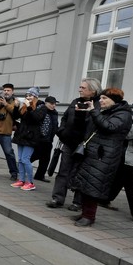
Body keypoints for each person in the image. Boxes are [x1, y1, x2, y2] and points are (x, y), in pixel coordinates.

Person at [71, 88, 133, 226]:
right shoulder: (106, 111)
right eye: (101, 98)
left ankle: (89, 216)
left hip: (104, 156)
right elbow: (89, 127)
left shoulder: (124, 114)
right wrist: (82, 114)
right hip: (94, 153)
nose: (101, 101)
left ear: (114, 100)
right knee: (86, 184)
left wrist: (94, 112)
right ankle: (84, 213)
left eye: (104, 98)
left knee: (94, 186)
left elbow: (109, 127)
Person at [46, 78, 102, 211]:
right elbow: (65, 118)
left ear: (93, 91)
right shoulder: (75, 102)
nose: (79, 89)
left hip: (85, 145)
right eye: (80, 87)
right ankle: (57, 199)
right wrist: (62, 132)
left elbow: (95, 124)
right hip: (69, 142)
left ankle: (77, 202)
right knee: (63, 171)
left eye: (83, 88)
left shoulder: (98, 105)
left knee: (80, 173)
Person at [102, 98, 133, 222]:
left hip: (132, 156)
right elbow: (128, 135)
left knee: (119, 180)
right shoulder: (131, 116)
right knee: (132, 183)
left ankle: (104, 199)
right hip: (125, 154)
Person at [11, 87, 46, 191]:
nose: (28, 97)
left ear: (35, 97)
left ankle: (30, 182)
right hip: (22, 135)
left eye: (31, 95)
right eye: (27, 95)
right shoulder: (25, 106)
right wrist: (16, 107)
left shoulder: (41, 107)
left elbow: (36, 118)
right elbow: (16, 117)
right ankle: (21, 180)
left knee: (26, 159)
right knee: (21, 159)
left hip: (31, 136)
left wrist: (29, 106)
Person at [30, 96, 59, 182]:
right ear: (46, 103)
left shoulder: (55, 113)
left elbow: (55, 125)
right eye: (51, 104)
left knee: (45, 159)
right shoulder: (41, 110)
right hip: (40, 139)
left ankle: (39, 175)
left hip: (49, 139)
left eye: (55, 104)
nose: (53, 106)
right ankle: (21, 167)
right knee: (34, 156)